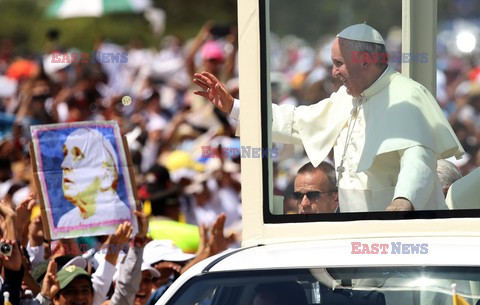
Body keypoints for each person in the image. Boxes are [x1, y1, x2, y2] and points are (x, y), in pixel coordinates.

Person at [193, 23, 464, 212]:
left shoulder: (406, 95)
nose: (333, 72)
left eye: (339, 63)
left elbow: (417, 158)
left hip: (396, 227)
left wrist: (404, 200)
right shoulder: (347, 97)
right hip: (353, 225)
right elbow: (295, 121)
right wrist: (234, 107)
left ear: (365, 62)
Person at [57, 128, 131, 228]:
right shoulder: (66, 222)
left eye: (78, 154)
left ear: (107, 174)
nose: (64, 164)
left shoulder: (125, 220)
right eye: (65, 155)